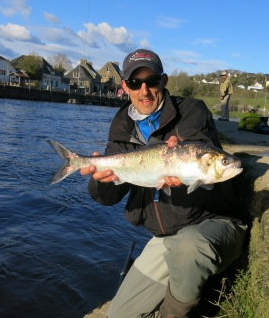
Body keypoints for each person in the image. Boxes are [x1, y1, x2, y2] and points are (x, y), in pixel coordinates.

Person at [80, 49, 247, 318]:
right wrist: (103, 181)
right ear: (124, 86)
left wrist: (183, 152)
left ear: (164, 81)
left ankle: (173, 312)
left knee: (189, 247)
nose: (144, 91)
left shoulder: (192, 110)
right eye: (135, 83)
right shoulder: (122, 125)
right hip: (166, 236)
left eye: (152, 81)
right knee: (119, 315)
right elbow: (107, 198)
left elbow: (199, 143)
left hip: (213, 222)